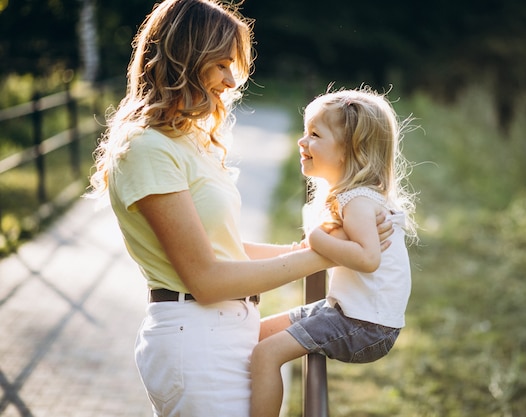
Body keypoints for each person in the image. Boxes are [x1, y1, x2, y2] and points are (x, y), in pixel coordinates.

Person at [86, 1, 392, 416]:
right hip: (196, 339)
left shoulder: (185, 141)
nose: (232, 80)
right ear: (186, 59)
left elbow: (226, 250)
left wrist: (327, 244)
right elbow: (208, 279)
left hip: (225, 332)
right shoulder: (147, 149)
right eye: (222, 65)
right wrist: (326, 253)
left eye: (235, 66)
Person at [249, 86, 418, 417]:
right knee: (251, 334)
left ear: (349, 150)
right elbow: (309, 252)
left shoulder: (356, 201)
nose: (302, 142)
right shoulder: (354, 199)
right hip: (347, 313)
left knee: (265, 354)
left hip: (367, 325)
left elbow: (368, 260)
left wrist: (317, 238)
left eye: (314, 134)